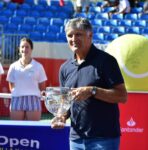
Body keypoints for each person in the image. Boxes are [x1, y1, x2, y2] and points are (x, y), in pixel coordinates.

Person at [51, 18, 128, 150]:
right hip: (76, 139)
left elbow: (122, 96)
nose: (73, 39)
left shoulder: (106, 61)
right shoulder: (65, 68)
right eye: (70, 35)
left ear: (90, 35)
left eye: (78, 34)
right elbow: (65, 101)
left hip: (104, 139)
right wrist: (61, 116)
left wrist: (92, 91)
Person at [6, 37, 47, 121]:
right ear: (19, 49)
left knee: (33, 130)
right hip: (17, 99)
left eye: (27, 47)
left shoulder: (38, 66)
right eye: (22, 47)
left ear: (31, 49)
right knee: (16, 130)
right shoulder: (13, 66)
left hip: (33, 100)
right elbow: (11, 86)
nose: (24, 49)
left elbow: (42, 87)